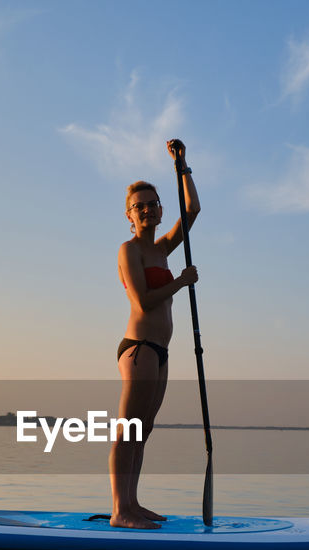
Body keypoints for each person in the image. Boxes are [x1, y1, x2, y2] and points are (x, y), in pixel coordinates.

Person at [110, 139, 200, 529]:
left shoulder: (163, 248)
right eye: (138, 206)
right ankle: (119, 511)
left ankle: (133, 503)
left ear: (161, 209)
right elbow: (144, 303)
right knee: (128, 428)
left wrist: (182, 166)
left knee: (143, 431)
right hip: (139, 349)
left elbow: (193, 209)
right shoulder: (129, 250)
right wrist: (181, 282)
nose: (146, 209)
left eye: (152, 203)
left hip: (160, 352)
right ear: (129, 215)